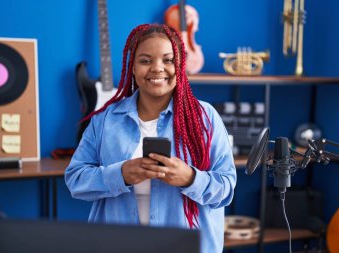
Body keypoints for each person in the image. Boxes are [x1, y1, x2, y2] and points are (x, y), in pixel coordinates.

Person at [65, 23, 236, 253]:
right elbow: (75, 179)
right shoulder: (106, 120)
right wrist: (121, 174)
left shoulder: (205, 118)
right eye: (145, 60)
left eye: (167, 60)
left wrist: (190, 178)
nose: (157, 68)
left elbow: (226, 188)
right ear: (132, 67)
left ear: (180, 65)